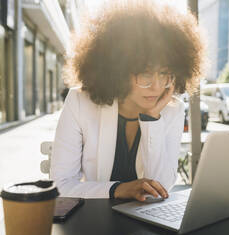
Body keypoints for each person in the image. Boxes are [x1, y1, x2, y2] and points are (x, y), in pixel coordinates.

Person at [50, 0, 205, 201]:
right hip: (95, 220)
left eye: (165, 73)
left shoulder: (172, 110)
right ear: (118, 71)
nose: (157, 87)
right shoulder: (80, 103)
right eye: (145, 74)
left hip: (148, 221)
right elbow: (60, 186)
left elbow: (162, 187)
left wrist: (152, 120)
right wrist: (118, 189)